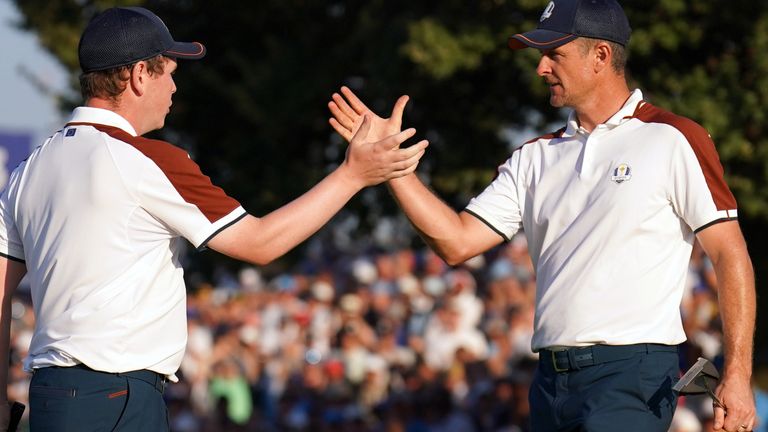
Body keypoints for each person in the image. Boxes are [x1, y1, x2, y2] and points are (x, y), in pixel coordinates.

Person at [327, 0, 756, 430]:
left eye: (555, 54)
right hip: (550, 379)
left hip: (632, 372)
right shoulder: (533, 157)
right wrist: (393, 169)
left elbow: (729, 254)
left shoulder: (673, 137)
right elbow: (456, 243)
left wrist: (737, 374)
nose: (541, 68)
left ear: (601, 57)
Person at [0, 6, 428, 432]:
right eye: (167, 71)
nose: (173, 87)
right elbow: (260, 244)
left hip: (53, 393)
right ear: (137, 76)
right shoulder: (148, 159)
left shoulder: (29, 169)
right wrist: (353, 175)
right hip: (118, 396)